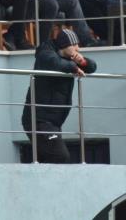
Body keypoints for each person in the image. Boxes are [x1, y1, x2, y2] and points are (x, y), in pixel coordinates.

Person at [20, 28, 96, 163]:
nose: (78, 48)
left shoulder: (68, 57)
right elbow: (55, 63)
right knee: (60, 157)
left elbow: (92, 67)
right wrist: (74, 67)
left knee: (46, 160)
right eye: (74, 45)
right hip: (38, 120)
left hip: (53, 122)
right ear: (64, 45)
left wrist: (82, 62)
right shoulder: (45, 54)